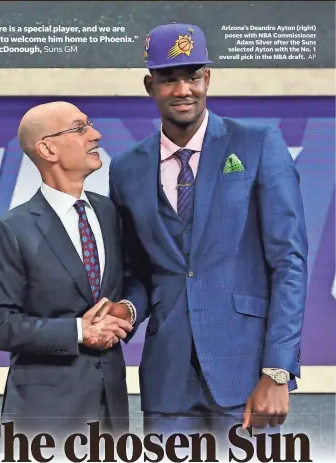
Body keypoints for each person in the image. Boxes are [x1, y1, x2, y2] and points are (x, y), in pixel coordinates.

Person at [94, 23, 308, 442]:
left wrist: (277, 370)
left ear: (207, 79)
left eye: (192, 76)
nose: (182, 89)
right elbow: (139, 270)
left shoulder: (258, 143)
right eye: (168, 79)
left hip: (246, 375)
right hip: (166, 378)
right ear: (149, 85)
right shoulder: (126, 167)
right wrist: (129, 310)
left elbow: (289, 262)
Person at [0, 101, 137, 441]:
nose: (96, 134)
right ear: (47, 148)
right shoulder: (11, 229)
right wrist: (78, 332)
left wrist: (128, 310)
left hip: (111, 410)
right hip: (44, 416)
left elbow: (136, 280)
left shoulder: (110, 212)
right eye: (79, 128)